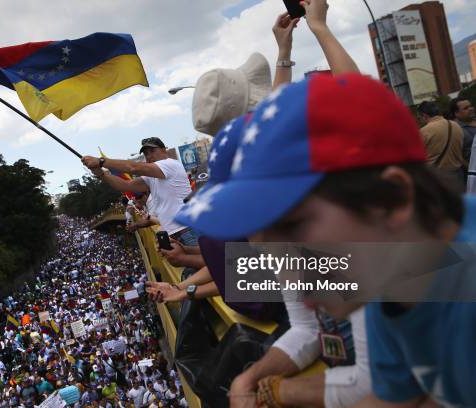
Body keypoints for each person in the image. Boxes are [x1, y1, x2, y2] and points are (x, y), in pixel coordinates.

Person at [177, 57, 476, 406]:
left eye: (293, 226)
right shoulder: (385, 286)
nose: (281, 269)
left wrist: (272, 392)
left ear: (391, 200)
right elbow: (394, 396)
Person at [81, 137, 197, 246]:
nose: (149, 156)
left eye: (152, 151)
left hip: (188, 230)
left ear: (164, 150)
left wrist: (101, 161)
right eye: (146, 153)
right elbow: (126, 186)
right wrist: (101, 174)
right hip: (177, 232)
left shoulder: (170, 164)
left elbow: (133, 167)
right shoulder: (152, 177)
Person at [417, 100, 465, 186]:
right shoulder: (456, 125)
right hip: (458, 175)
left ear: (424, 116)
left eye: (419, 118)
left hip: (437, 178)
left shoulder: (424, 132)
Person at [449, 97, 476, 163]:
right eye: (466, 108)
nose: (471, 109)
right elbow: (458, 157)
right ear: (456, 113)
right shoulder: (456, 130)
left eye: (470, 106)